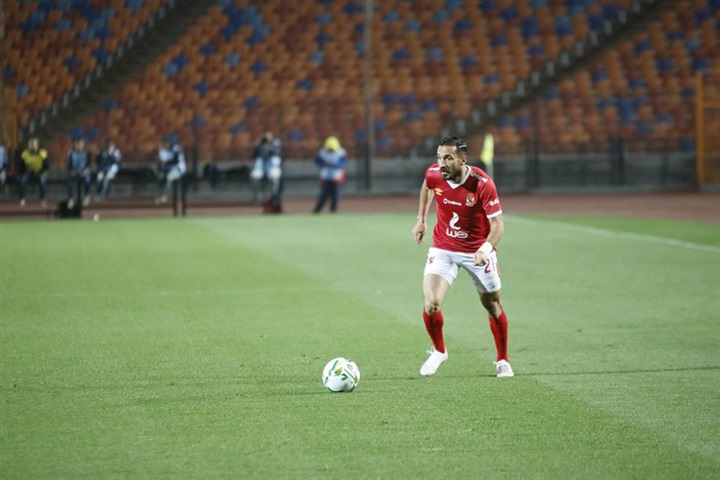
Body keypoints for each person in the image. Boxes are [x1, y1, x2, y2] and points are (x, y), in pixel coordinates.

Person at [411, 135, 514, 378]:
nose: (441, 163)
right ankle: (439, 351)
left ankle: (502, 360)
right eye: (439, 157)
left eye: (448, 158)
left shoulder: (482, 184)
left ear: (462, 160)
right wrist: (421, 219)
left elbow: (498, 225)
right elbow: (427, 186)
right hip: (443, 247)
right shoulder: (434, 173)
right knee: (431, 303)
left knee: (493, 306)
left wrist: (485, 249)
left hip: (477, 251)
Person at [313, 136, 347, 213]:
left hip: (337, 178)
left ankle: (333, 211)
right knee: (323, 196)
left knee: (336, 196)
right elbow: (317, 162)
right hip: (326, 177)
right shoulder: (322, 152)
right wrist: (325, 163)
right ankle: (317, 211)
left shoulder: (341, 152)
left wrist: (334, 165)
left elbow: (343, 164)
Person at [249, 131, 282, 205]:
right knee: (254, 177)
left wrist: (269, 147)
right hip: (260, 166)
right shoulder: (259, 146)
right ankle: (257, 196)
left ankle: (274, 197)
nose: (266, 140)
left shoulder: (275, 144)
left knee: (275, 177)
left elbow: (277, 153)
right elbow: (253, 155)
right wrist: (258, 146)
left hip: (272, 166)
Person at [17, 137, 49, 207]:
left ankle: (43, 199)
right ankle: (22, 199)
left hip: (39, 172)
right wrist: (25, 171)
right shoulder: (24, 154)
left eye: (34, 145)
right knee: (22, 180)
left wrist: (41, 171)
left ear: (37, 145)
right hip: (28, 172)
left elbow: (46, 165)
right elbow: (20, 166)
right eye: (31, 145)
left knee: (42, 181)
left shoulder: (42, 153)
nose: (32, 146)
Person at [156, 136, 186, 204]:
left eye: (168, 143)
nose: (166, 144)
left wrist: (165, 163)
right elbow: (165, 163)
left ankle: (164, 196)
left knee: (168, 178)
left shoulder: (176, 150)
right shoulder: (167, 150)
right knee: (160, 177)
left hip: (179, 171)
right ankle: (159, 195)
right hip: (170, 170)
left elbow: (175, 162)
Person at [66, 138, 92, 208]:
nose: (80, 145)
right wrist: (74, 172)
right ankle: (71, 199)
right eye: (79, 144)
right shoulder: (71, 153)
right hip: (74, 172)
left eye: (81, 144)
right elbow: (69, 165)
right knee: (70, 180)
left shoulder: (87, 153)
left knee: (87, 179)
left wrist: (83, 172)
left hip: (84, 172)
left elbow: (88, 164)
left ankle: (87, 196)